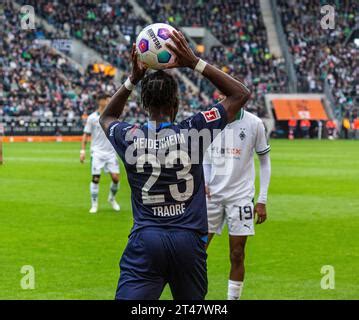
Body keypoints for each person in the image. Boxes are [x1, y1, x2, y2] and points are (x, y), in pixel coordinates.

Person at [99, 30, 251, 300]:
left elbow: (107, 116)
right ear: (176, 102)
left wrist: (133, 79)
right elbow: (240, 94)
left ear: (144, 104)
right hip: (188, 242)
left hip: (146, 241)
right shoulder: (196, 129)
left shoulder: (129, 136)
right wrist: (195, 62)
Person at [203, 108, 271, 300]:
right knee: (196, 252)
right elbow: (206, 159)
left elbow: (264, 161)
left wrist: (262, 200)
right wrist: (205, 182)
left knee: (237, 253)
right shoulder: (210, 121)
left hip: (240, 197)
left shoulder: (254, 123)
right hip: (212, 197)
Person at [80, 94, 121, 214]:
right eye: (107, 100)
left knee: (115, 178)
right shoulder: (92, 118)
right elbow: (85, 135)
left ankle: (112, 199)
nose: (109, 102)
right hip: (97, 152)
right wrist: (82, 151)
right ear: (101, 101)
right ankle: (94, 204)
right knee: (96, 178)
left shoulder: (113, 117)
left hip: (111, 153)